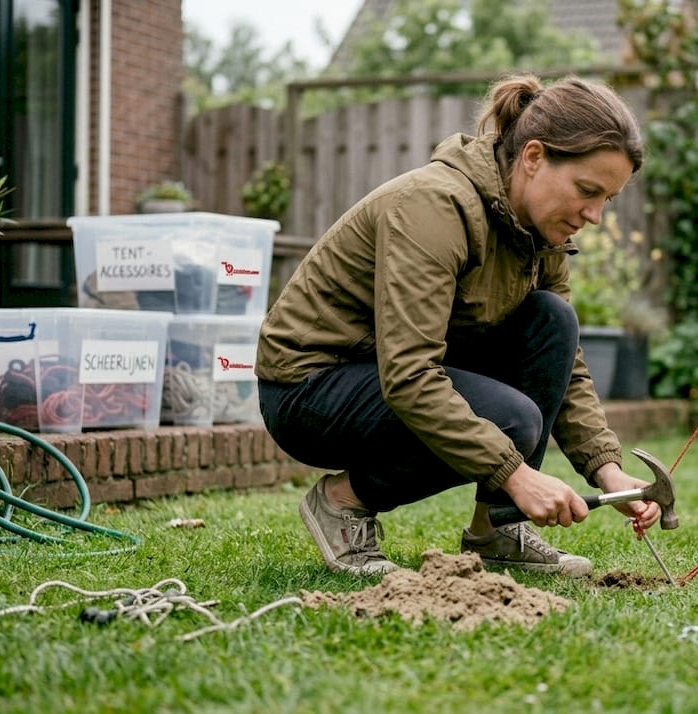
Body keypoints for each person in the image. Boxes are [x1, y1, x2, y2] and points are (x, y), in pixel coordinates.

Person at [256, 73, 661, 578]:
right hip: (311, 386)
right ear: (533, 157)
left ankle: (496, 530)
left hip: (389, 372)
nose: (595, 215)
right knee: (512, 420)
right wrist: (515, 474)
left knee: (553, 321)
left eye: (607, 199)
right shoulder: (434, 206)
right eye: (587, 190)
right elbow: (409, 376)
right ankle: (342, 502)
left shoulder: (540, 233)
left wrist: (607, 469)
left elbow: (564, 362)